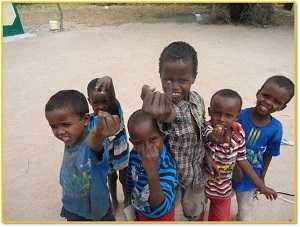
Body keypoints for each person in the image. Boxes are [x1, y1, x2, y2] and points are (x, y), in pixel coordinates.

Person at [141, 41, 210, 220]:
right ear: (160, 76)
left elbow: (202, 130)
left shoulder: (197, 100)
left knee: (194, 210)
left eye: (183, 80)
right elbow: (167, 115)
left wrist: (208, 156)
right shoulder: (163, 106)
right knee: (171, 209)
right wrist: (146, 95)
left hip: (197, 173)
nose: (174, 86)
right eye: (168, 80)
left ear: (194, 77)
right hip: (173, 177)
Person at [45, 90, 120, 221]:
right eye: (53, 126)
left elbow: (95, 143)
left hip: (96, 211)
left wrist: (99, 133)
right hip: (72, 206)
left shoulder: (92, 143)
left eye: (66, 124)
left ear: (85, 119)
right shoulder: (71, 137)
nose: (60, 131)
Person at [203, 89, 277, 221]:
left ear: (237, 117)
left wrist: (261, 185)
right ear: (209, 112)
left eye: (228, 115)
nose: (221, 119)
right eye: (217, 113)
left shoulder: (239, 135)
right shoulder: (206, 128)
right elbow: (203, 141)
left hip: (223, 188)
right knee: (195, 214)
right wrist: (211, 139)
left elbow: (242, 159)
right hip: (201, 186)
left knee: (219, 219)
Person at [232, 75, 295, 221]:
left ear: (282, 107)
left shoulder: (276, 128)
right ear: (258, 92)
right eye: (266, 95)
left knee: (245, 215)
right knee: (221, 201)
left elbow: (268, 155)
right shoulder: (238, 115)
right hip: (227, 171)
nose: (268, 102)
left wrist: (261, 179)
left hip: (250, 179)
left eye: (277, 101)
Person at [125, 109, 178, 221]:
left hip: (162, 217)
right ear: (133, 142)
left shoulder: (167, 165)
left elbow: (160, 209)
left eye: (153, 139)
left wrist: (152, 173)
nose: (147, 148)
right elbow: (130, 178)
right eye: (139, 143)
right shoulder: (134, 154)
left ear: (162, 136)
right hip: (140, 208)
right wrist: (128, 197)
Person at [87, 76, 129, 212]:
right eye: (95, 103)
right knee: (111, 178)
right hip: (107, 158)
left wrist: (110, 83)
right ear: (90, 102)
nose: (101, 106)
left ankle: (128, 198)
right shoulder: (92, 121)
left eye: (105, 101)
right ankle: (114, 200)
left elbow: (113, 100)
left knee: (124, 178)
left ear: (111, 99)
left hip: (121, 154)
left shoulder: (116, 113)